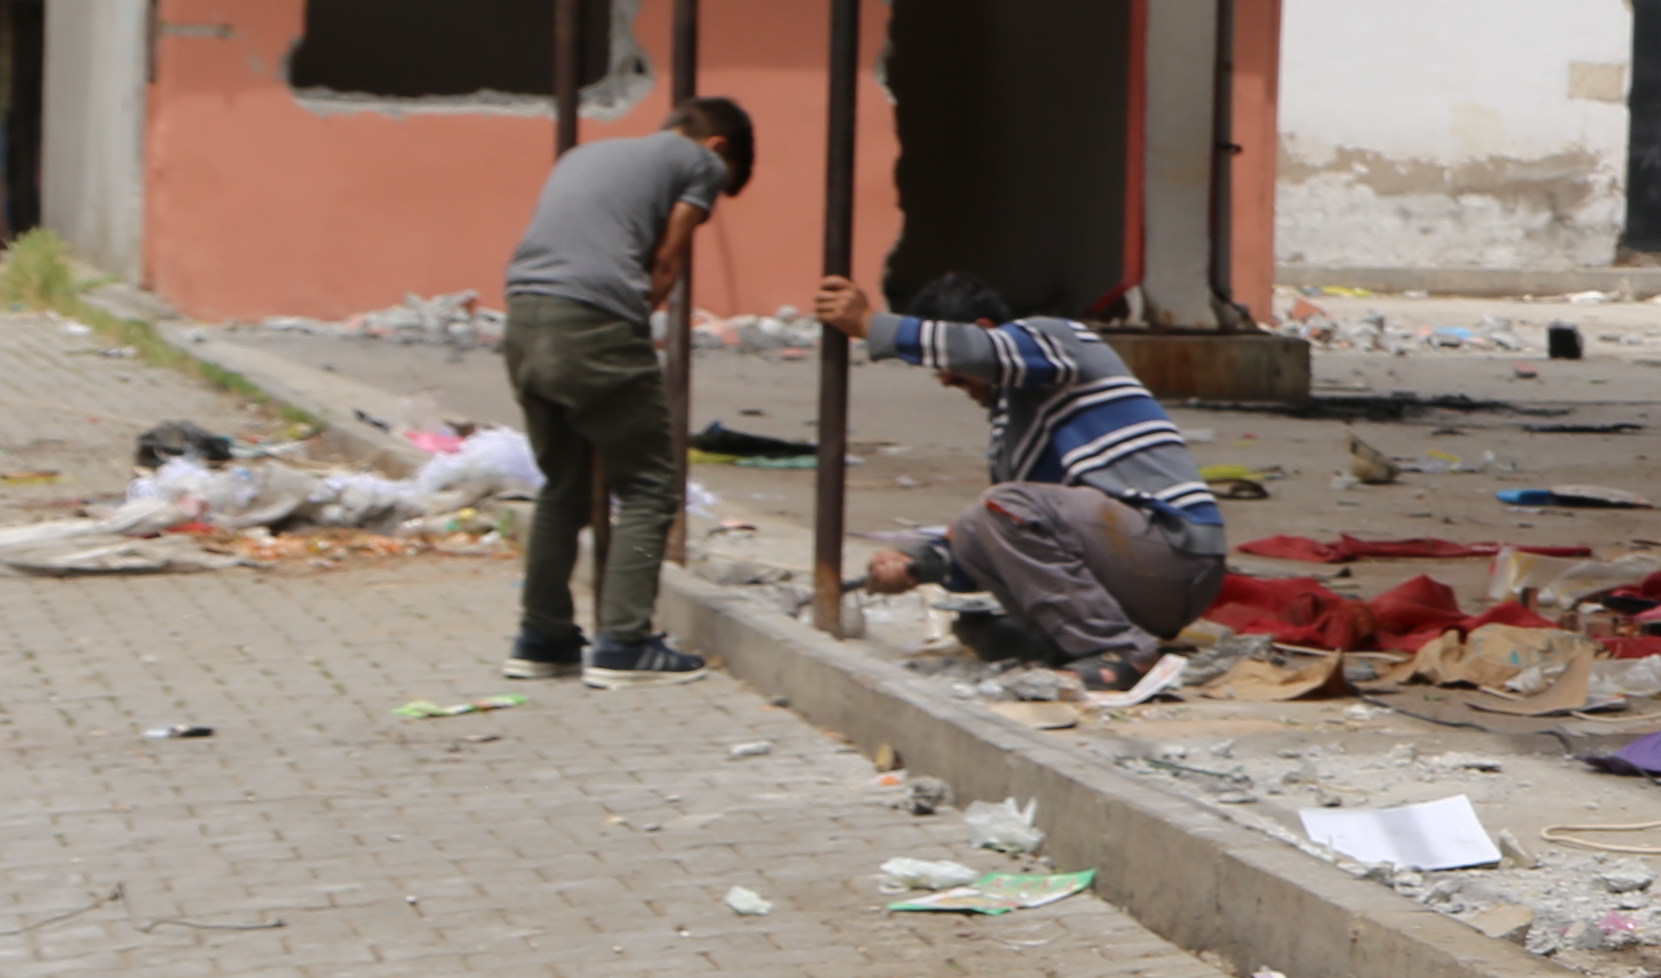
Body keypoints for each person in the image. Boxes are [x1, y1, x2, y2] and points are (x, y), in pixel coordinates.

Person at [810, 273, 1228, 693]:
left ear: (982, 331)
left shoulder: (1053, 339)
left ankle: (1123, 654)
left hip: (1176, 550)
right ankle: (1072, 643)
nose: (948, 381)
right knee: (980, 526)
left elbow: (985, 352)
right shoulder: (1010, 434)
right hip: (1138, 573)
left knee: (1000, 507)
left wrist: (869, 323)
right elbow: (1010, 544)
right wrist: (915, 565)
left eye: (950, 369)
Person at [499, 95, 757, 685]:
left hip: (522, 319)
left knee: (562, 487)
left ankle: (542, 638)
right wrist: (633, 330)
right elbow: (667, 259)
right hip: (594, 324)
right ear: (718, 148)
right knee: (650, 486)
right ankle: (625, 639)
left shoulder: (584, 154)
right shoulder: (703, 161)